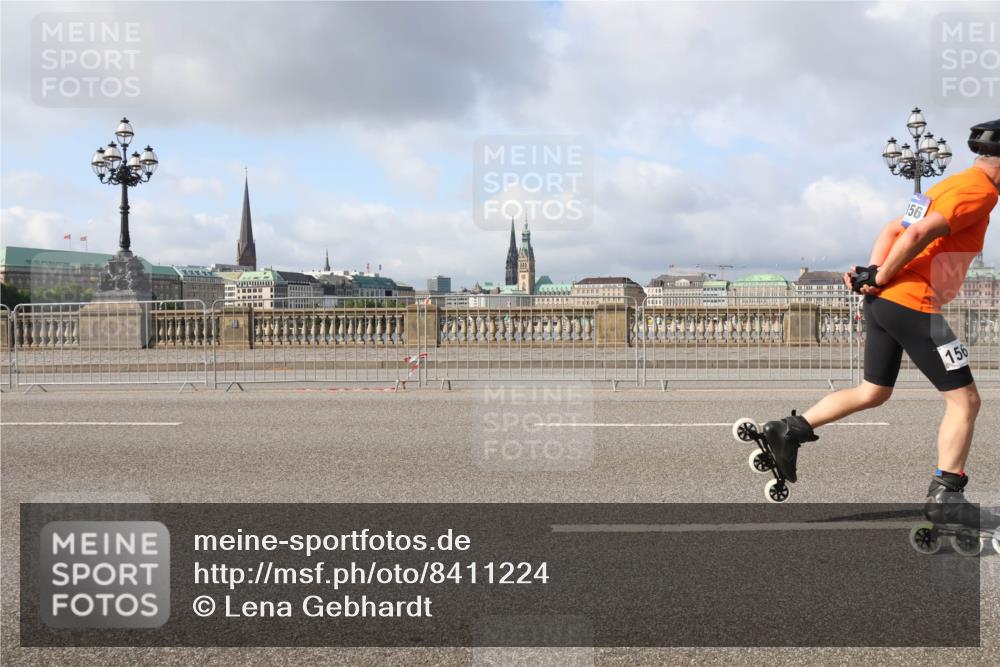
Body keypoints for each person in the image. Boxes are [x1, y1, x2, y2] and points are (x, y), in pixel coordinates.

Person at [763, 118, 1000, 523]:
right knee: (966, 401)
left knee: (874, 391)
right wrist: (882, 275)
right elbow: (916, 234)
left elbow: (895, 227)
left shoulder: (946, 185)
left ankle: (790, 430)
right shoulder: (979, 192)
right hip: (917, 305)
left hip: (887, 304)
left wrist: (872, 274)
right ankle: (947, 494)